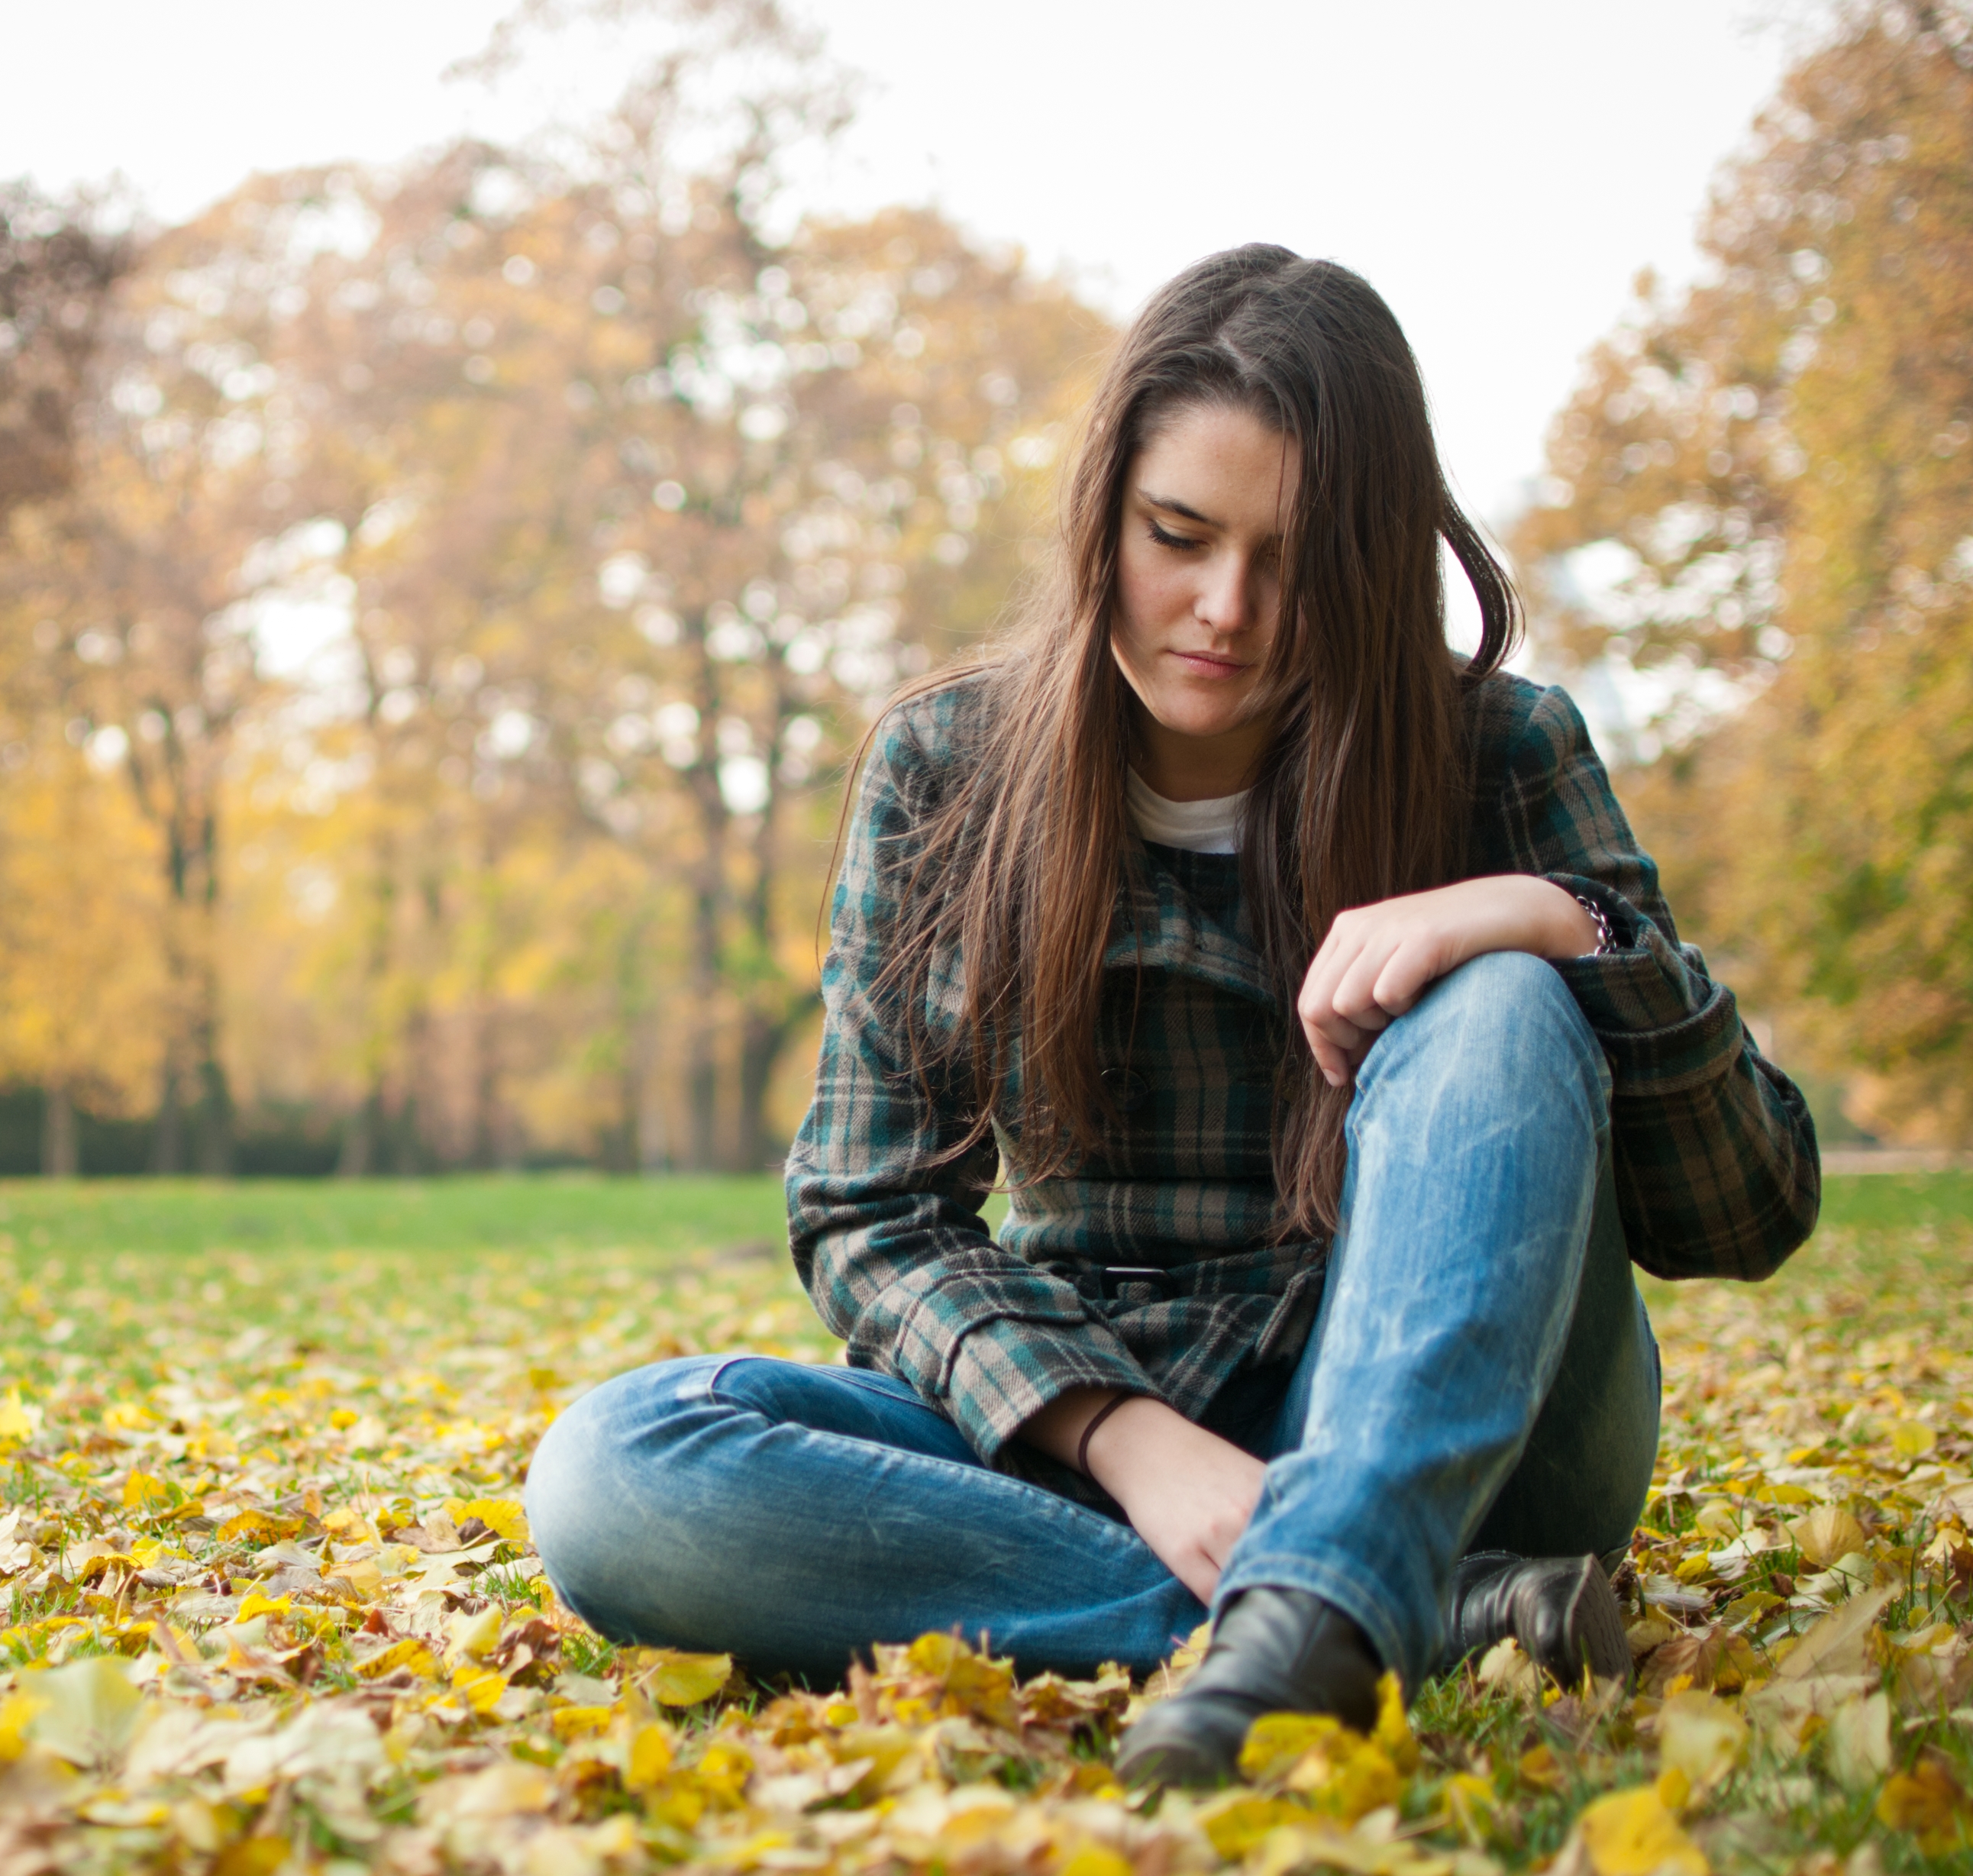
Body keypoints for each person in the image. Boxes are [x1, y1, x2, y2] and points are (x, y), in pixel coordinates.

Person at [521, 244, 1819, 1787]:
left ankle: (1357, 1567)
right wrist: (1129, 1443)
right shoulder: (948, 768)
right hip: (1100, 1411)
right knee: (621, 1468)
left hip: (1468, 1423)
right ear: (1101, 511)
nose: (1224, 608)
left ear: (1369, 554)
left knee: (1498, 1005)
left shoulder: (1498, 748)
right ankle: (1388, 1617)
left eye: (1291, 557)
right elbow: (867, 1211)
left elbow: (1745, 1212)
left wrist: (1557, 926)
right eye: (1176, 535)